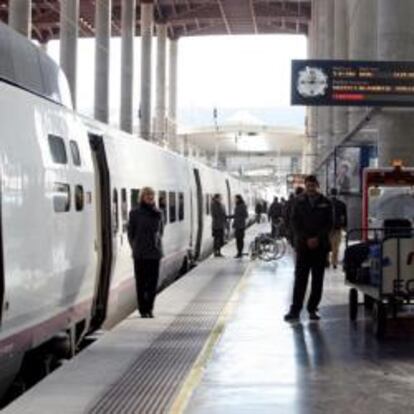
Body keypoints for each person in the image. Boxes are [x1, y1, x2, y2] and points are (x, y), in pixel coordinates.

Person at [284, 176, 333, 322]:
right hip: (303, 246)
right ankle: (295, 310)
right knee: (300, 279)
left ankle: (312, 309)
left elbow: (329, 223)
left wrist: (317, 238)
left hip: (320, 247)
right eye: (308, 186)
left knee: (317, 280)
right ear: (305, 186)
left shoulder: (326, 202)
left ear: (317, 186)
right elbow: (294, 222)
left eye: (313, 185)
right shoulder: (297, 202)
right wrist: (306, 238)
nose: (311, 188)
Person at [128, 187, 164, 318]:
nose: (150, 197)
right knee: (141, 283)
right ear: (142, 197)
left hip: (154, 253)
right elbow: (130, 233)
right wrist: (135, 246)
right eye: (148, 194)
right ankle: (143, 309)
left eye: (152, 195)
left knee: (153, 283)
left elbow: (161, 232)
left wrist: (156, 244)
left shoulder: (158, 213)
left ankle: (150, 308)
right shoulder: (134, 213)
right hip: (140, 254)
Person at [329, 188, 348, 269]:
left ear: (330, 194)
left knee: (326, 245)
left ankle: (326, 261)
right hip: (337, 228)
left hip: (327, 228)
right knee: (335, 246)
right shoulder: (342, 204)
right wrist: (344, 226)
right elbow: (344, 217)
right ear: (337, 194)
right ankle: (334, 262)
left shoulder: (326, 203)